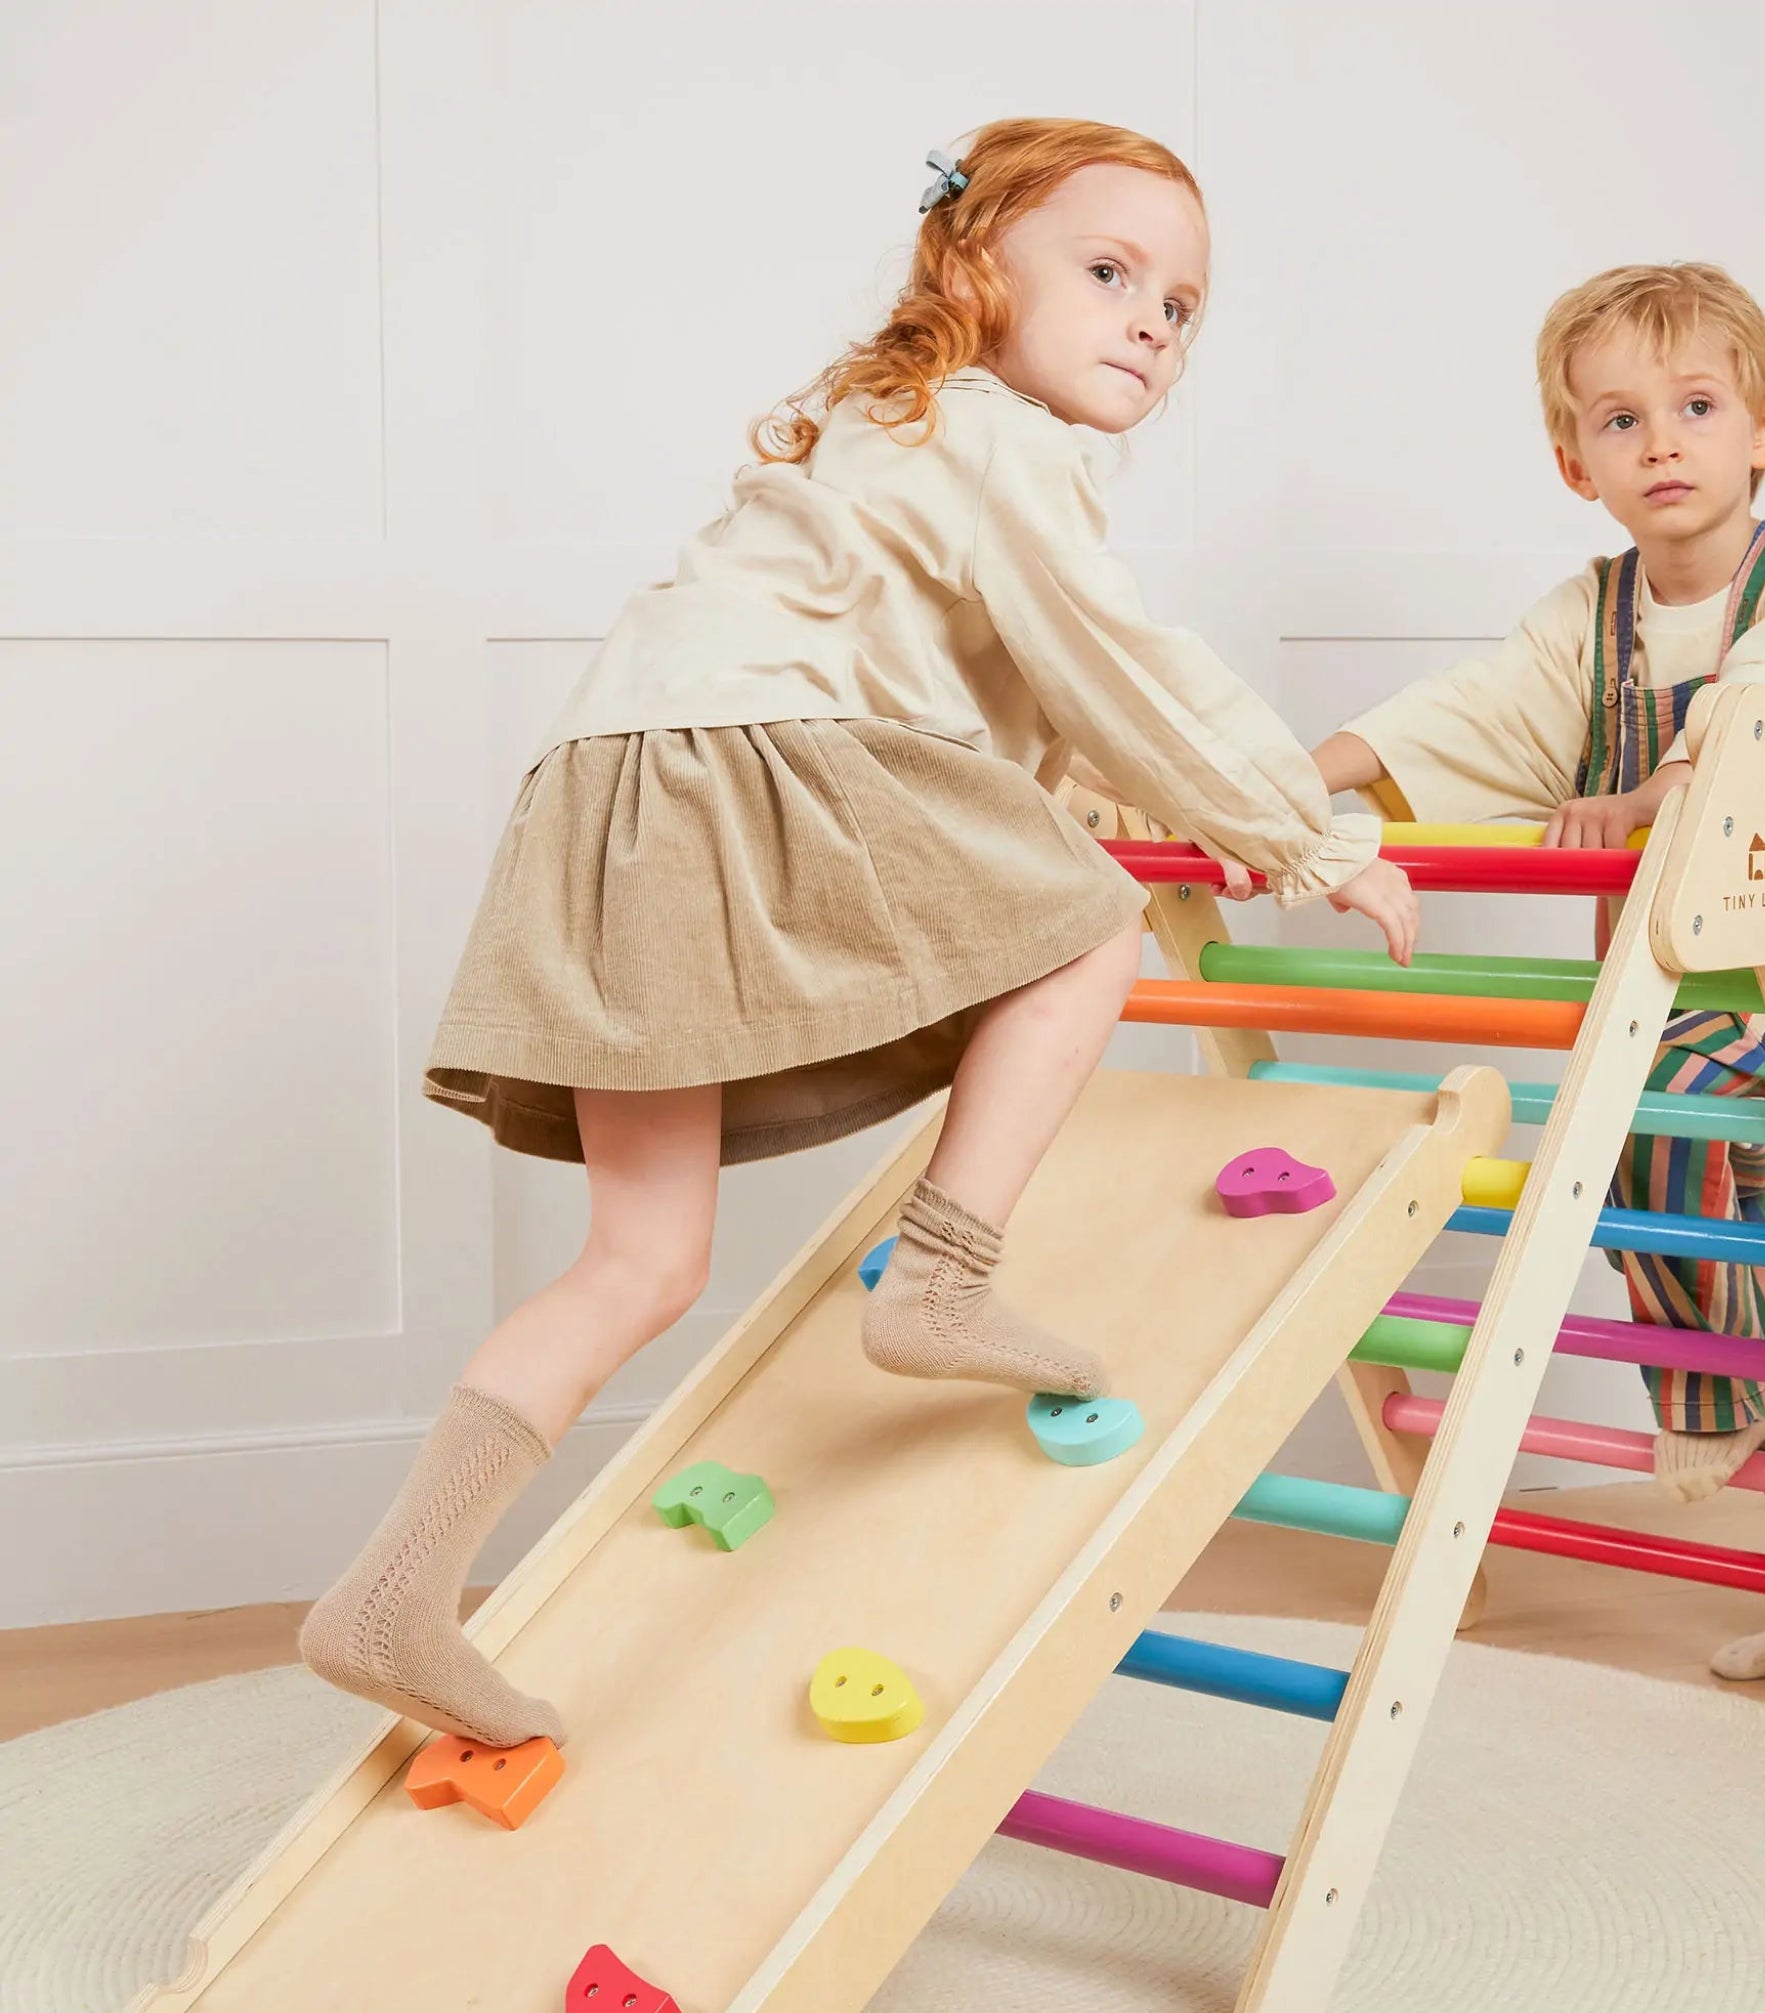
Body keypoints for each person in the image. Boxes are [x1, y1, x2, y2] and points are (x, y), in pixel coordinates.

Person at [299, 118, 1417, 1746]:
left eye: (1180, 306)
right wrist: (1311, 837)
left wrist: (1087, 796)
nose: (1149, 325)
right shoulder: (991, 432)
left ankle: (393, 1593)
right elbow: (1115, 653)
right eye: (1108, 275)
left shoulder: (886, 431)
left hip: (620, 790)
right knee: (1091, 934)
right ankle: (945, 1281)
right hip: (751, 771)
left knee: (640, 1260)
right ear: (974, 270)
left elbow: (989, 677)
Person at [1314, 263, 1765, 1683]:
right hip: (1672, 973)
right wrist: (1274, 781)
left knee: (1647, 1117)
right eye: (1621, 418)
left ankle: (1705, 1394)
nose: (1663, 443)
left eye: (1696, 407)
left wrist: (1656, 791)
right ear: (1573, 459)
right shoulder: (1585, 620)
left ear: (1764, 428)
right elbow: (1466, 719)